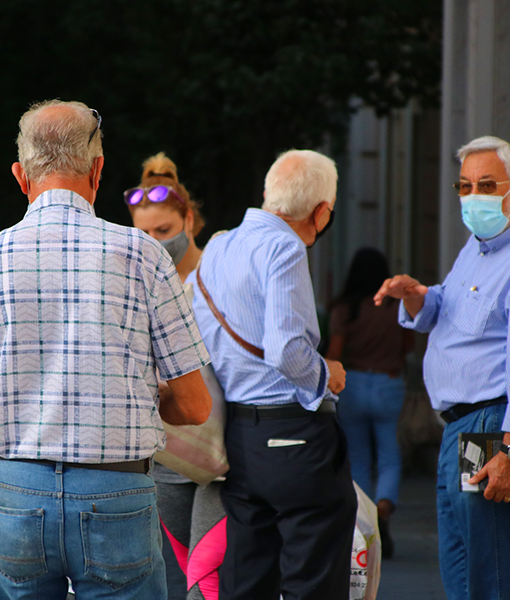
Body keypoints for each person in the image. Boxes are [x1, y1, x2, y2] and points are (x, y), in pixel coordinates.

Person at [0, 100, 213, 600]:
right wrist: (125, 397)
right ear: (97, 171)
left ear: (20, 177)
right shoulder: (145, 258)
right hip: (117, 492)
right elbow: (195, 406)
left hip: (11, 493)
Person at [374, 136, 510, 600]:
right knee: (463, 570)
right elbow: (453, 306)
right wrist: (419, 297)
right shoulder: (481, 245)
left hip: (495, 427)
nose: (472, 196)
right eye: (464, 186)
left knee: (494, 573)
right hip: (461, 426)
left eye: (486, 185)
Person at [187, 150, 355, 600]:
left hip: (239, 436)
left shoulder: (220, 245)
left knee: (247, 576)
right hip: (295, 435)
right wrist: (328, 374)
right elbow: (287, 350)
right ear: (321, 213)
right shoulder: (285, 247)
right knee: (313, 578)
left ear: (268, 193)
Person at [125, 152, 222, 599]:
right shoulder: (132, 286)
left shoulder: (217, 275)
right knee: (188, 568)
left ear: (189, 220)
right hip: (170, 456)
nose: (152, 243)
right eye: (142, 234)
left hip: (226, 453)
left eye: (162, 232)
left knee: (207, 576)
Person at [326, 247, 414, 559]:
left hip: (355, 382)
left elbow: (334, 355)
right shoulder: (396, 307)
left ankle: (366, 522)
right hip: (389, 382)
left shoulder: (344, 309)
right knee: (390, 453)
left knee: (359, 457)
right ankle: (385, 508)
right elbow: (408, 345)